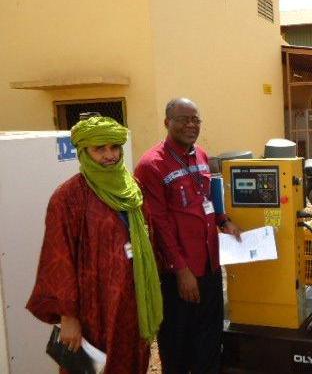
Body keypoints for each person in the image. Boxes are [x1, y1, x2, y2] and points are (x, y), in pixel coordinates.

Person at [27, 116, 163, 374]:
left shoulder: (132, 188)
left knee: (132, 363)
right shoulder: (68, 198)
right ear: (84, 152)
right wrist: (68, 317)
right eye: (100, 149)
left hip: (133, 302)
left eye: (115, 147)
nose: (110, 155)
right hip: (94, 308)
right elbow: (58, 260)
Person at [135, 98, 241, 374]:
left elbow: (208, 196)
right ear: (167, 122)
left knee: (209, 340)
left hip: (210, 266)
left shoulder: (201, 155)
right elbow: (158, 223)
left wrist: (224, 220)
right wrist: (181, 270)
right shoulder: (151, 165)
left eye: (196, 119)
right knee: (177, 346)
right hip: (178, 275)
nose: (191, 125)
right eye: (184, 119)